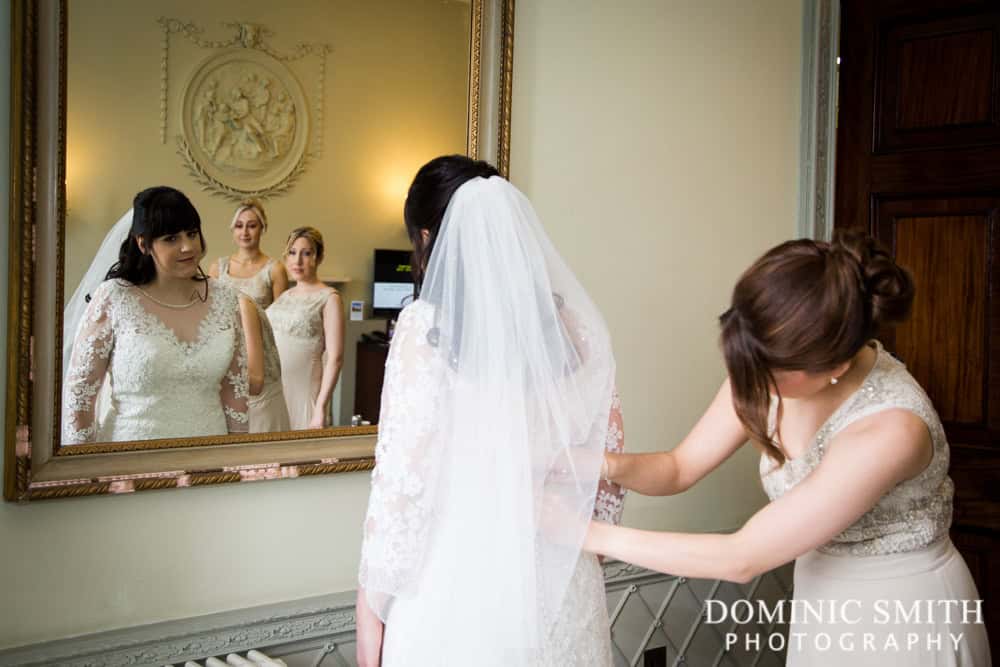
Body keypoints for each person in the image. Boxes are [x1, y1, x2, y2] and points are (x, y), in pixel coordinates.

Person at [584, 232, 991, 666]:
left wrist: (581, 532)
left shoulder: (891, 430)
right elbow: (678, 467)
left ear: (834, 366)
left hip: (905, 612)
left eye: (765, 371)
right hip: (821, 594)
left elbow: (741, 558)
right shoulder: (766, 363)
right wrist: (597, 464)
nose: (748, 380)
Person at [355, 155, 625, 666]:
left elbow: (403, 482)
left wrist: (372, 602)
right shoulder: (581, 330)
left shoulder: (423, 329)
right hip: (565, 577)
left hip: (455, 583)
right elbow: (608, 462)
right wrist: (584, 548)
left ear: (429, 238)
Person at [62, 186, 251, 444]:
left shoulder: (225, 299)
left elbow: (235, 392)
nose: (187, 247)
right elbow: (81, 394)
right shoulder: (115, 298)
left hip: (210, 459)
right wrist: (82, 471)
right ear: (143, 243)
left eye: (192, 234)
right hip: (131, 459)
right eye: (171, 238)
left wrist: (236, 459)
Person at [266, 227, 344, 430]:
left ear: (318, 257)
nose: (297, 261)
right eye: (292, 252)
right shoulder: (285, 296)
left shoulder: (329, 298)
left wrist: (320, 409)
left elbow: (335, 358)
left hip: (304, 397)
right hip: (275, 395)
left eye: (306, 253)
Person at [209, 198, 288, 308]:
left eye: (251, 226)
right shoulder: (217, 268)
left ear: (262, 228)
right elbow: (210, 312)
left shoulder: (275, 270)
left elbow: (280, 318)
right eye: (239, 226)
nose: (244, 232)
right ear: (233, 229)